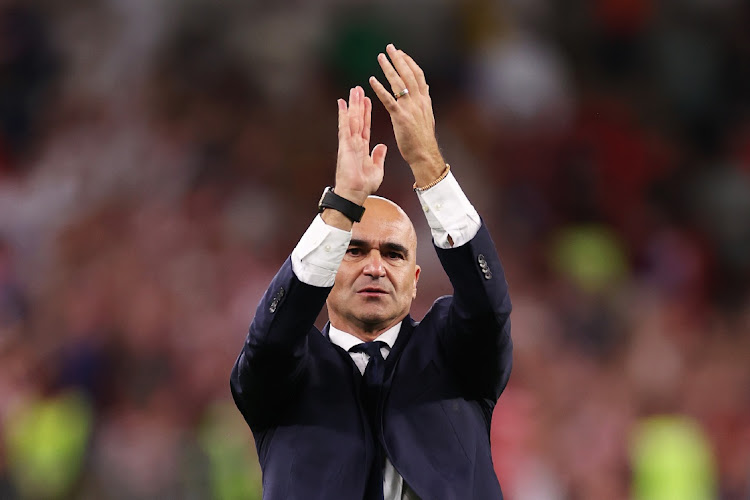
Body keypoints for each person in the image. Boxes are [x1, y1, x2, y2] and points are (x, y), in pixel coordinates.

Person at [230, 44, 513, 500]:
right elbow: (271, 336)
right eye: (355, 250)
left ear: (415, 278)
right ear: (326, 274)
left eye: (395, 254)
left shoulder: (452, 354)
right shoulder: (284, 373)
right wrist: (341, 207)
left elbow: (488, 306)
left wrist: (428, 165)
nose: (376, 267)